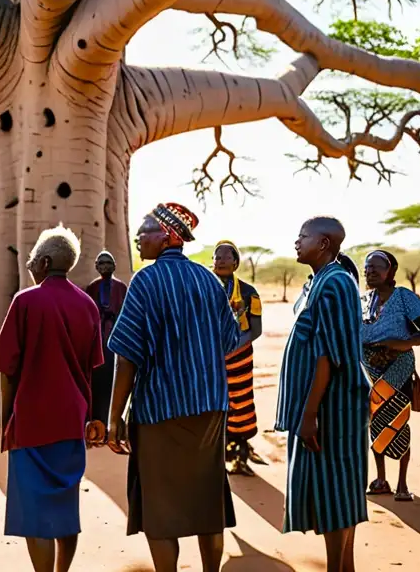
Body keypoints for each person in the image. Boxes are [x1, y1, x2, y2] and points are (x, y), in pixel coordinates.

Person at [108, 203, 250, 572]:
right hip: (210, 408)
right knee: (208, 502)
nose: (139, 236)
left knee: (160, 507)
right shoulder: (209, 281)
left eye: (146, 230)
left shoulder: (145, 281)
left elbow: (127, 356)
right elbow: (229, 339)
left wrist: (114, 417)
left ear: (168, 236)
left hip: (159, 411)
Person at [0, 226, 105, 572]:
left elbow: (6, 369)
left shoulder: (25, 301)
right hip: (72, 421)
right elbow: (93, 369)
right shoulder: (88, 305)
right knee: (65, 510)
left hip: (31, 421)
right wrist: (93, 416)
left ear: (43, 261)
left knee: (35, 515)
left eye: (31, 261)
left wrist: (10, 417)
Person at [274, 217, 369, 572]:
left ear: (324, 243)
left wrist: (310, 413)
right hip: (323, 404)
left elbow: (328, 354)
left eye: (303, 236)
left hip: (334, 406)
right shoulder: (320, 282)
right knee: (336, 487)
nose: (296, 242)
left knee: (337, 490)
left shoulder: (336, 283)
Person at [361, 250, 420, 502]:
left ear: (391, 271)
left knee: (398, 421)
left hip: (398, 366)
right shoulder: (362, 300)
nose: (370, 271)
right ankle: (381, 479)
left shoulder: (404, 297)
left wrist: (403, 344)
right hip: (370, 369)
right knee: (376, 422)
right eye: (367, 267)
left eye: (377, 266)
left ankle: (402, 483)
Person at [212, 240, 265, 476]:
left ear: (235, 263)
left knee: (240, 403)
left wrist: (233, 346)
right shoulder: (203, 287)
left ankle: (240, 455)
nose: (220, 260)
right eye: (217, 256)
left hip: (239, 356)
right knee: (213, 403)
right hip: (211, 355)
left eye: (225, 257)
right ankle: (218, 455)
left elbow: (256, 330)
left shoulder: (248, 292)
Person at [83, 250, 127, 424]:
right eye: (101, 264)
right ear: (96, 267)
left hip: (114, 339)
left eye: (108, 263)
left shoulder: (121, 287)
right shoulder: (93, 287)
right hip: (97, 340)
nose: (105, 267)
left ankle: (112, 422)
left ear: (115, 266)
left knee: (114, 381)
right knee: (97, 382)